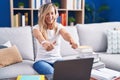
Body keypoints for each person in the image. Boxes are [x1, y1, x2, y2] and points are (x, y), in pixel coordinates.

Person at [32, 3, 78, 75]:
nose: (50, 16)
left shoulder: (59, 27)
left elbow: (66, 34)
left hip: (57, 60)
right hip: (41, 61)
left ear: (55, 14)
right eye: (47, 14)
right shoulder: (36, 28)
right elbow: (39, 36)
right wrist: (44, 43)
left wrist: (71, 40)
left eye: (52, 13)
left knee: (70, 72)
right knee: (52, 72)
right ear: (42, 15)